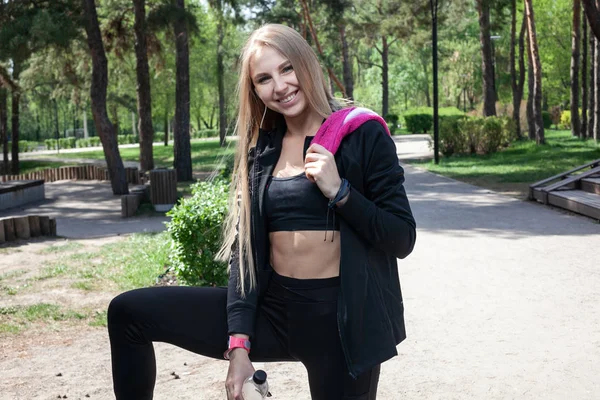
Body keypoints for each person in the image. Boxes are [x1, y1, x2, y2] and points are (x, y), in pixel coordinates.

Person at [107, 23, 416, 400]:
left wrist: (340, 191)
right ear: (254, 89)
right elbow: (247, 254)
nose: (280, 86)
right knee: (128, 313)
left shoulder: (362, 134)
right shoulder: (263, 149)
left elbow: (401, 237)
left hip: (340, 322)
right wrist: (238, 343)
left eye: (287, 69)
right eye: (264, 78)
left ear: (307, 64)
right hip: (275, 312)